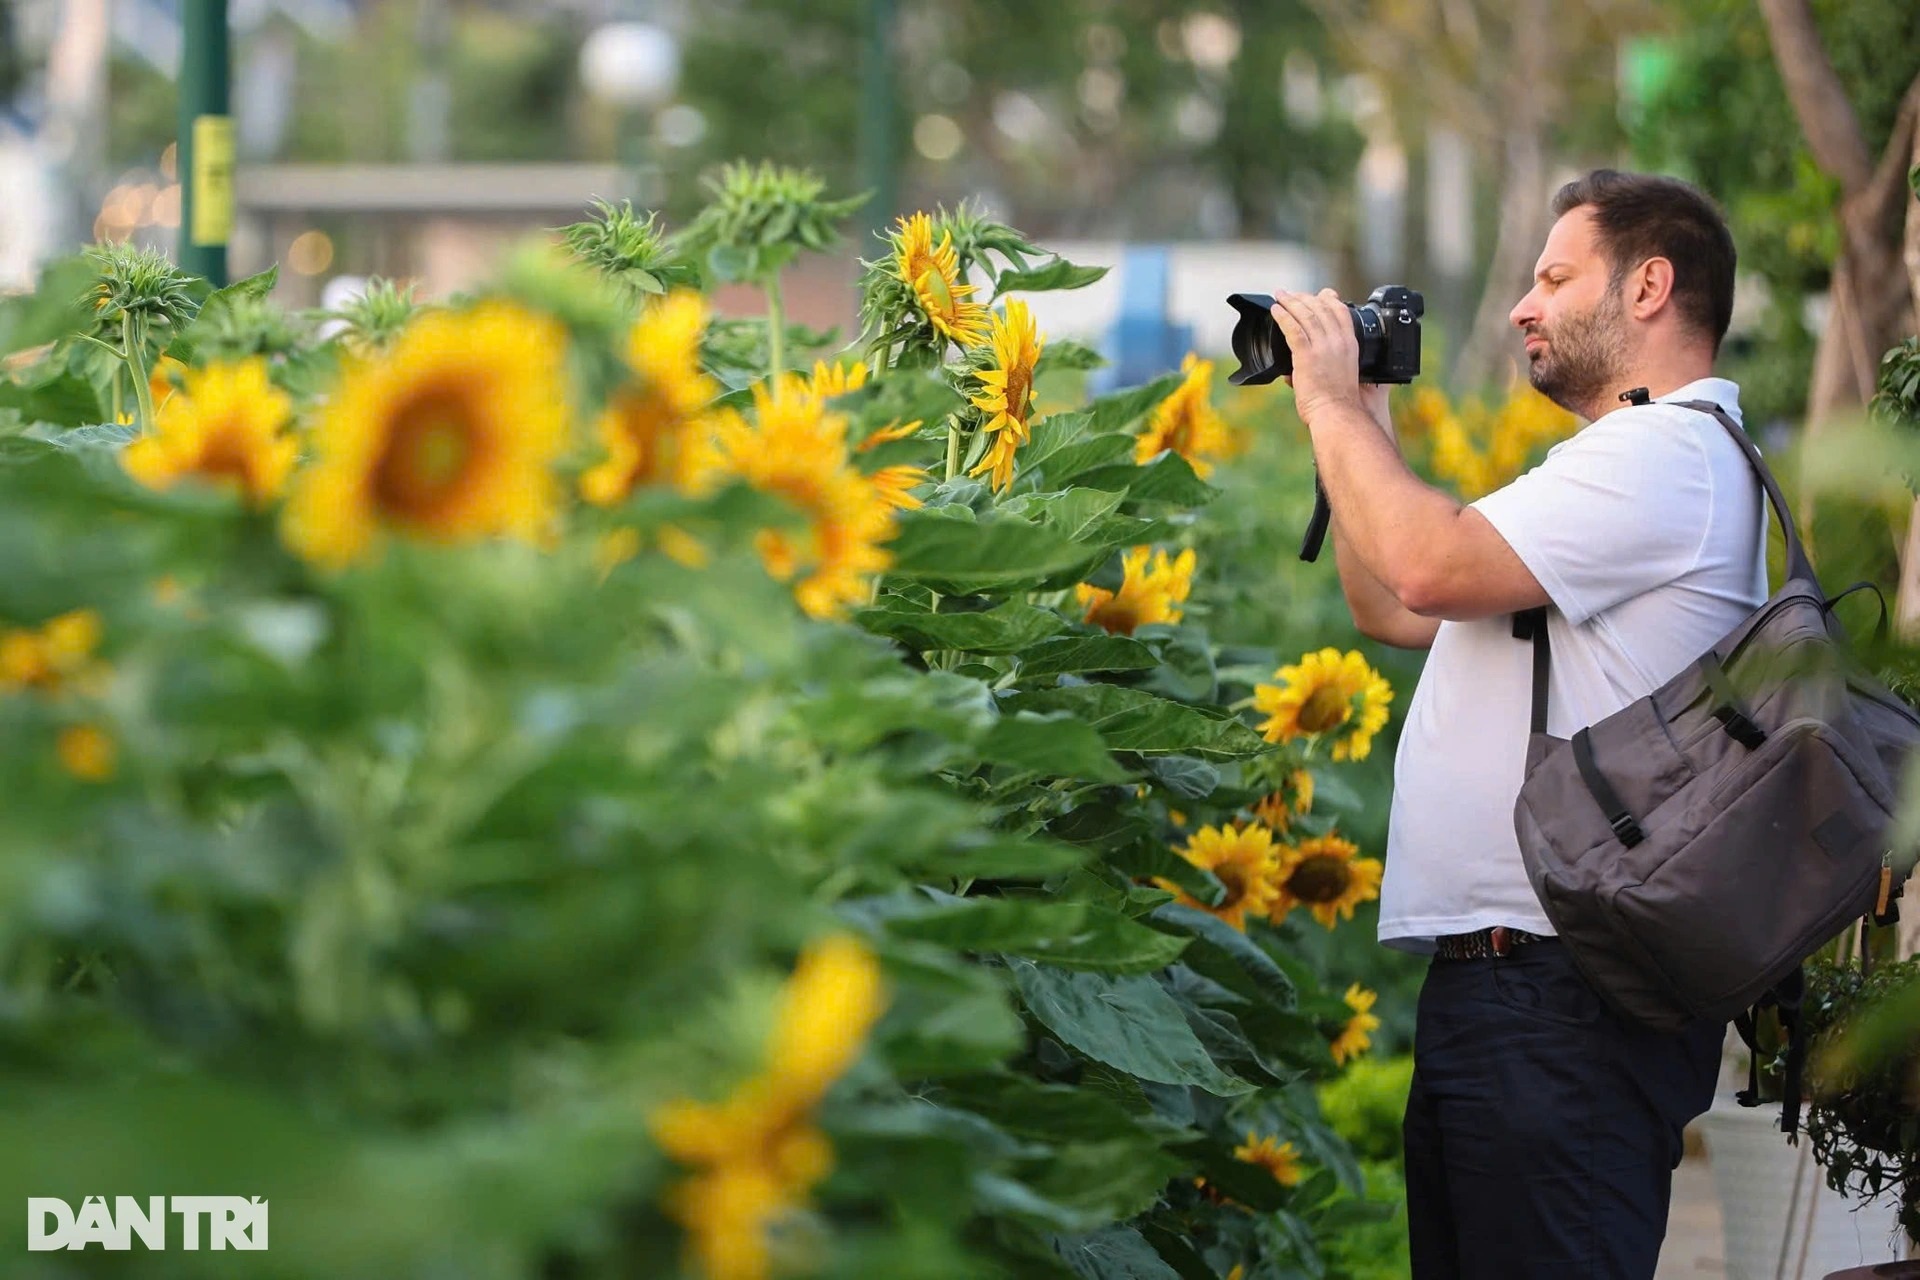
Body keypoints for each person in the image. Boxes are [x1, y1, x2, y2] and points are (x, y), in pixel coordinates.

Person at [1270, 169, 1761, 1279]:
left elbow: (1425, 560)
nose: (1521, 307)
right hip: (1513, 992)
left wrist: (1329, 400)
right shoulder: (1628, 462)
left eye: (1553, 275)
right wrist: (1370, 412)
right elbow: (1390, 601)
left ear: (1649, 286)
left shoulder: (1667, 456)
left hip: (1561, 999)